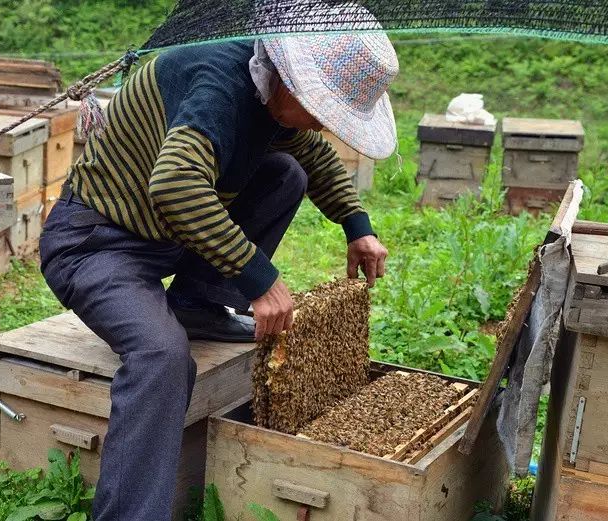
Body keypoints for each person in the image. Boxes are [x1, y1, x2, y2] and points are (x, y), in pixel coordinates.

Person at [39, 25, 399, 521]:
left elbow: (312, 157)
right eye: (323, 112)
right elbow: (175, 184)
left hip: (163, 237)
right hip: (98, 243)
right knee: (163, 357)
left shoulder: (273, 97)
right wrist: (260, 278)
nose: (322, 127)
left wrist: (356, 226)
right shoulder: (219, 85)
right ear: (293, 81)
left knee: (284, 173)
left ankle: (197, 304)